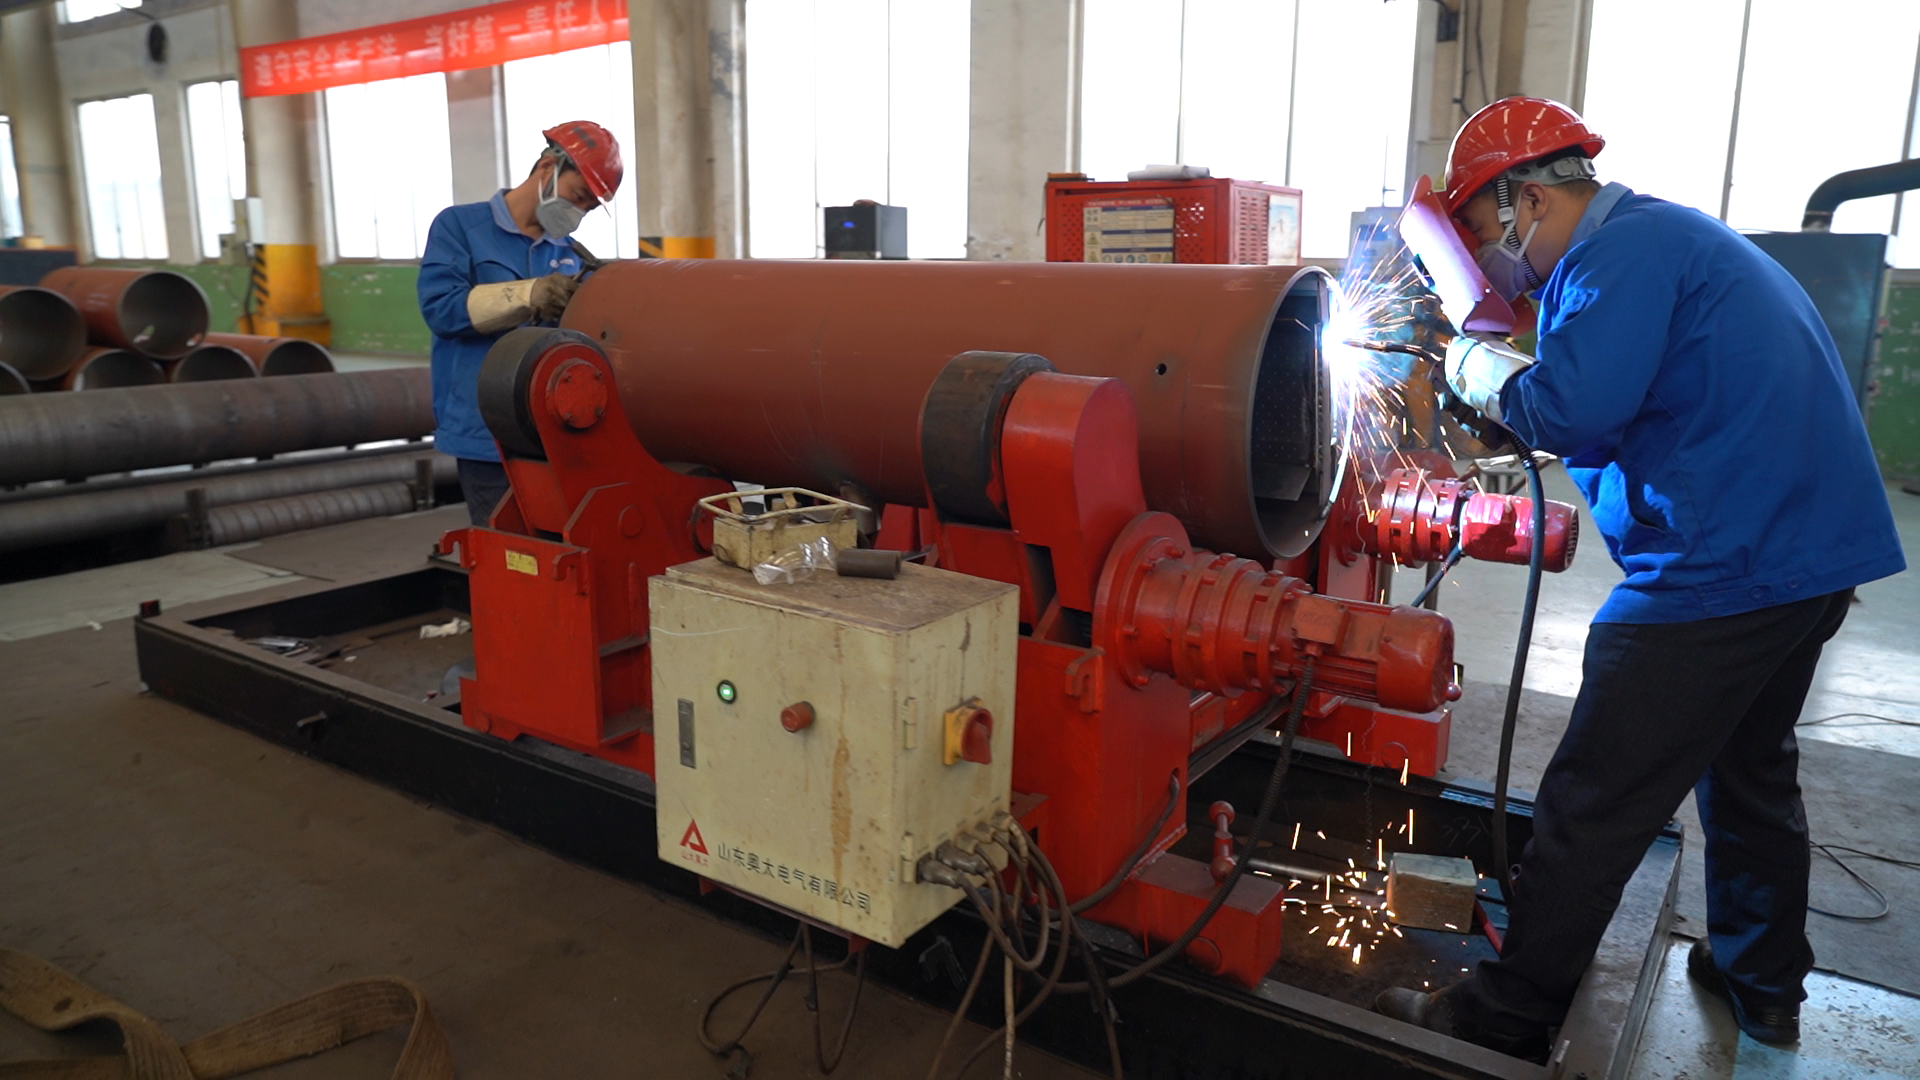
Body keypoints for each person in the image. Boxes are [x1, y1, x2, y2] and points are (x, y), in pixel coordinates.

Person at [1374, 97, 1906, 1057]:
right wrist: (1506, 386)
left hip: (1725, 563)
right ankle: (1762, 981)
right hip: (1809, 558)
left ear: (1529, 198)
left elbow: (1571, 407)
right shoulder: (1669, 238)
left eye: (1486, 234)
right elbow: (1617, 400)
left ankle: (1510, 1011)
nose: (1494, 261)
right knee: (1749, 766)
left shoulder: (1615, 257)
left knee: (1597, 795)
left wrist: (1472, 364)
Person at [418, 120, 623, 525]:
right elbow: (442, 309)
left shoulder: (573, 256)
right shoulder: (460, 228)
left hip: (551, 430)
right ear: (547, 168)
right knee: (505, 544)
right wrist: (529, 296)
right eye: (578, 197)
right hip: (484, 429)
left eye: (588, 208)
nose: (578, 213)